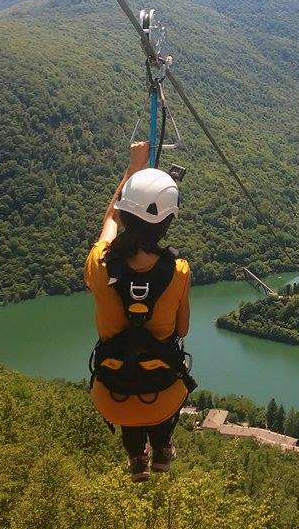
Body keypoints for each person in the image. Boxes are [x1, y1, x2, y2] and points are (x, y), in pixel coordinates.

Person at [85, 141, 196, 482]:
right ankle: (162, 448)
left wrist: (133, 167)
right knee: (160, 377)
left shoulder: (100, 265)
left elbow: (110, 220)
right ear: (168, 221)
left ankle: (136, 456)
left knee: (128, 386)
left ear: (125, 213)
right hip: (163, 395)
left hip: (111, 396)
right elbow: (182, 330)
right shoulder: (178, 270)